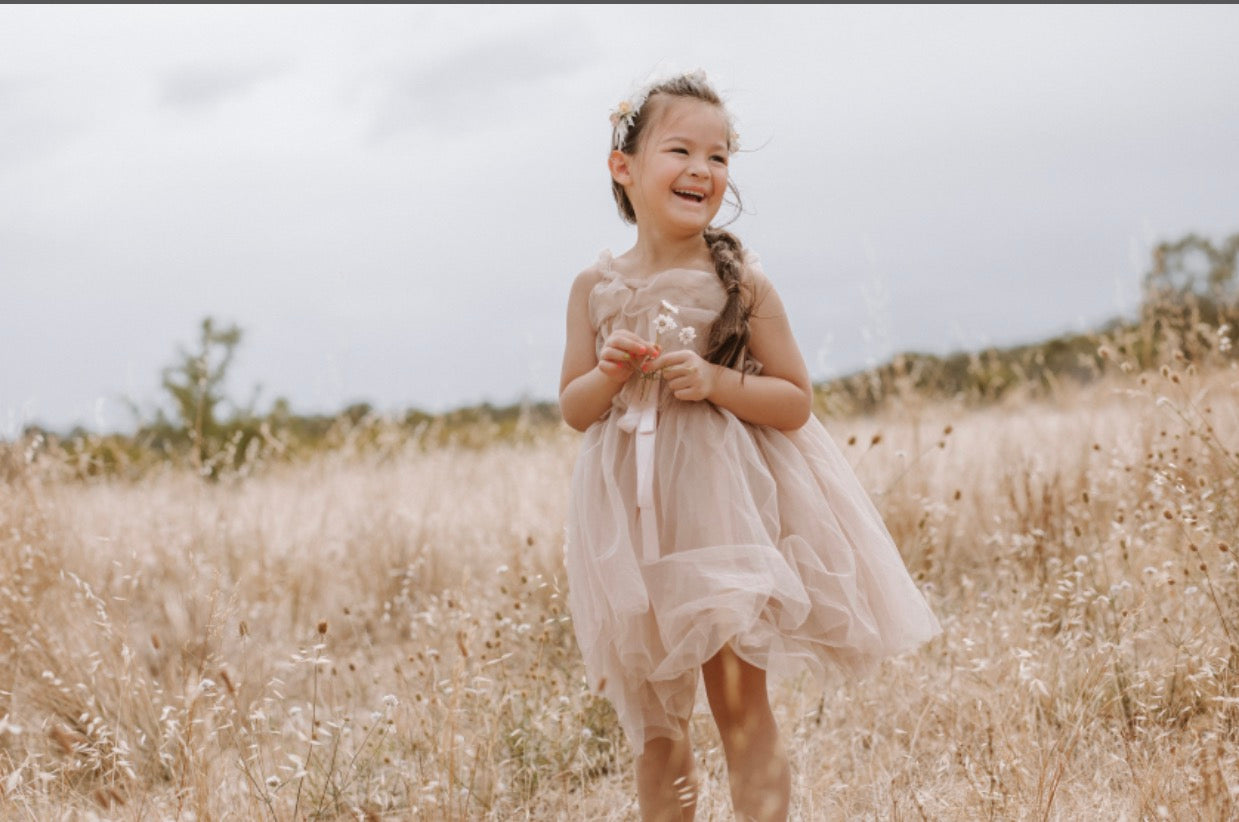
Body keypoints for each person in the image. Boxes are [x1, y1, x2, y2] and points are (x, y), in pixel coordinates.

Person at [558, 69, 941, 822]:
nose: (703, 169)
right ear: (623, 167)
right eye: (681, 150)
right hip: (631, 528)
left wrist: (714, 381)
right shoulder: (591, 286)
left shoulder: (741, 282)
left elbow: (794, 401)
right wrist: (605, 376)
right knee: (654, 726)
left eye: (720, 156)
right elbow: (574, 409)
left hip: (721, 517)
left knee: (738, 703)